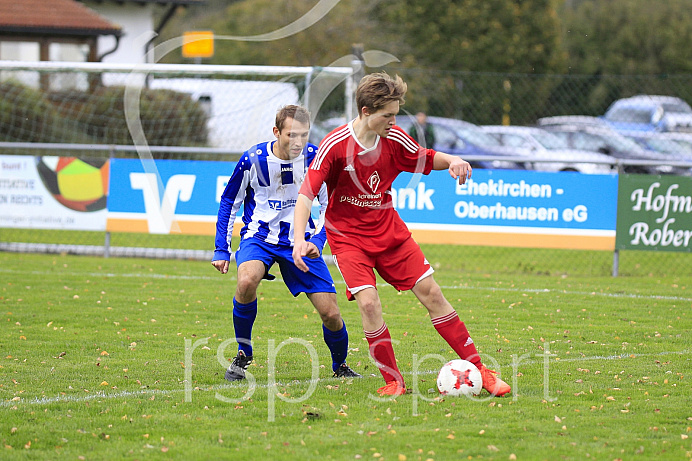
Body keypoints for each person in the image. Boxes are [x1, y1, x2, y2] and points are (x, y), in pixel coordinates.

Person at [292, 73, 511, 397]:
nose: (394, 121)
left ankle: (479, 369)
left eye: (396, 114)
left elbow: (425, 157)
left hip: (389, 232)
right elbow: (306, 194)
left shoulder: (394, 139)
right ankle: (393, 381)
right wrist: (299, 239)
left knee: (433, 294)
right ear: (366, 111)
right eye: (388, 115)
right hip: (349, 238)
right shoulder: (335, 145)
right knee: (368, 304)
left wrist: (453, 160)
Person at [212, 105, 360, 382]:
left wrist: (317, 239)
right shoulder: (253, 160)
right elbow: (228, 202)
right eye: (291, 134)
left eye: (303, 135)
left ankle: (340, 366)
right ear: (276, 132)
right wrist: (222, 247)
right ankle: (244, 351)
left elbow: (334, 205)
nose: (297, 142)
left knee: (330, 313)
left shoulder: (316, 158)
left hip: (302, 242)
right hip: (259, 238)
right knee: (245, 282)